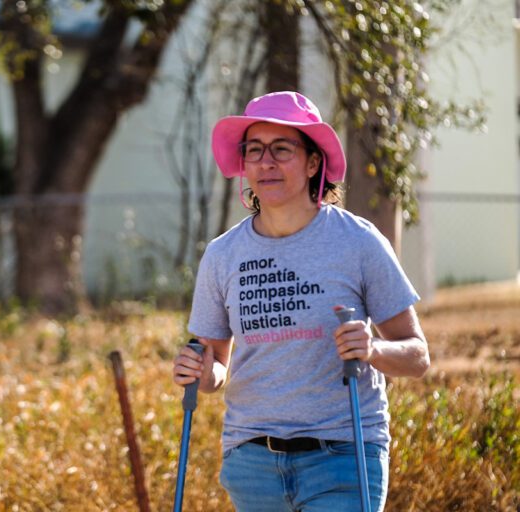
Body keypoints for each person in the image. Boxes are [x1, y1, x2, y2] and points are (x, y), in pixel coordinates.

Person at [172, 91, 430, 512]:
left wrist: (373, 349)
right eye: (254, 150)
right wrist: (199, 370)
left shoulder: (358, 242)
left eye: (281, 149)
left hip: (343, 457)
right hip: (252, 461)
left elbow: (417, 356)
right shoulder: (223, 254)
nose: (266, 162)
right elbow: (215, 364)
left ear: (314, 164)